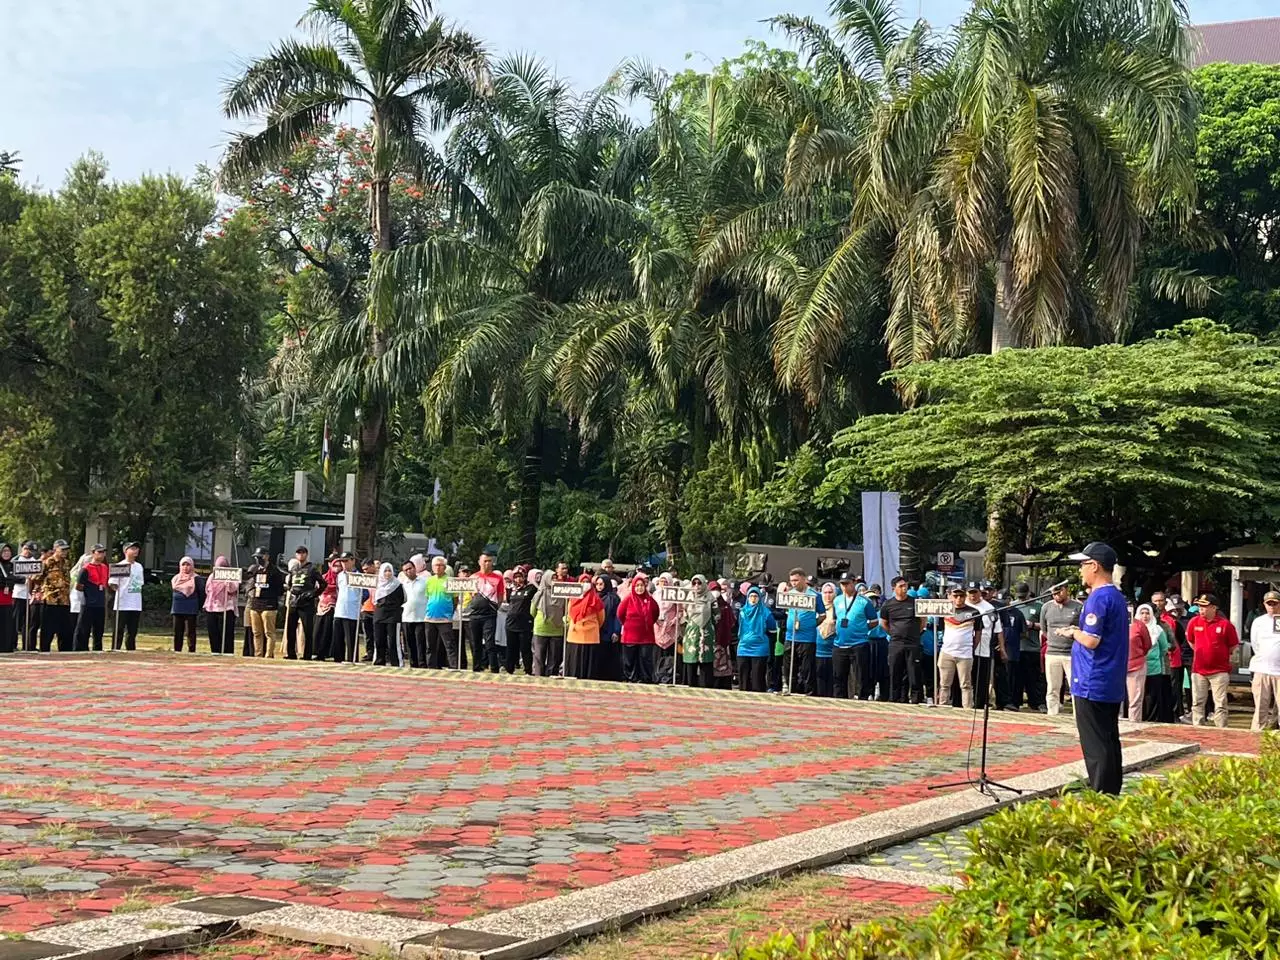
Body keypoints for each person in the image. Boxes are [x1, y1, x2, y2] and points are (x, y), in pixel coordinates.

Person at [1058, 542, 1129, 795]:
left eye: (1083, 564)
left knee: (1095, 742)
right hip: (1108, 679)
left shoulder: (1098, 598)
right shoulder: (1116, 596)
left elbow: (1091, 640)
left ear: (1095, 566)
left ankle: (1102, 793)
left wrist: (1074, 632)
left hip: (1092, 679)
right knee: (1108, 739)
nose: (1080, 570)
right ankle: (1110, 789)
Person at [1186, 592, 1239, 728]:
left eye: (1204, 606)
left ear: (1214, 608)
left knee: (1220, 703)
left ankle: (1221, 730)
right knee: (1197, 702)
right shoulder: (1194, 622)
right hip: (1198, 670)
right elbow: (1191, 641)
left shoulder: (1225, 625)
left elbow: (1233, 645)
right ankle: (1198, 728)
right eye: (1199, 606)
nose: (1201, 609)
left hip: (1219, 671)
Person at [831, 574, 875, 699]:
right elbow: (835, 619)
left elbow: (874, 621)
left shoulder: (864, 601)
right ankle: (839, 700)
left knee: (861, 676)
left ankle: (862, 699)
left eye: (847, 584)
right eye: (842, 584)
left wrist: (861, 630)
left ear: (854, 583)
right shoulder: (837, 600)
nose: (844, 587)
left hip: (859, 643)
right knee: (838, 677)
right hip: (839, 643)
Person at [880, 577, 923, 703]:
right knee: (895, 672)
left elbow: (923, 622)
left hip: (912, 643)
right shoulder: (888, 605)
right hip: (896, 644)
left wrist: (914, 633)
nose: (904, 588)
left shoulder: (915, 603)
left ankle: (915, 699)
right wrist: (894, 633)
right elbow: (884, 623)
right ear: (894, 588)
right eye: (901, 586)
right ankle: (895, 698)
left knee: (914, 673)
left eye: (906, 586)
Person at [1041, 582, 1081, 716]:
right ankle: (1053, 714)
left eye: (1059, 590)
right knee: (1052, 687)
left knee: (1075, 686)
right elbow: (1044, 629)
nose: (1057, 594)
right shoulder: (1046, 607)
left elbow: (1083, 629)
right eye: (1054, 591)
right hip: (1052, 652)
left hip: (1072, 653)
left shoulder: (1078, 607)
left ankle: (1078, 715)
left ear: (1066, 590)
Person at [782, 568, 823, 696]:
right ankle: (791, 689)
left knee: (807, 667)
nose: (793, 583)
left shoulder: (815, 595)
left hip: (807, 638)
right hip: (791, 636)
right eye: (791, 581)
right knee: (789, 666)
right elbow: (787, 612)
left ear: (803, 579)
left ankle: (809, 691)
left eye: (796, 580)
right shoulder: (789, 594)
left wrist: (811, 625)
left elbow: (822, 615)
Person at [939, 586, 981, 708]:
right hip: (946, 652)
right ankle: (942, 708)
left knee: (966, 685)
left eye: (961, 596)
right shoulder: (945, 610)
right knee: (944, 684)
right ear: (950, 596)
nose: (958, 598)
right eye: (955, 595)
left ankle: (967, 709)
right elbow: (941, 628)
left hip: (965, 654)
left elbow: (978, 632)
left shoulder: (974, 612)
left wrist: (972, 648)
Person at [965, 582, 1003, 709]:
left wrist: (1002, 648)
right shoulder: (962, 605)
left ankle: (980, 704)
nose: (973, 596)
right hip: (964, 649)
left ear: (980, 593)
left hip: (983, 649)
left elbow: (998, 630)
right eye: (970, 593)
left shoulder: (989, 608)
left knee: (980, 680)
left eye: (975, 592)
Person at [284, 545, 325, 660]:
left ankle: (307, 654)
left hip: (306, 603)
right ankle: (291, 653)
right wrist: (290, 590)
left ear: (306, 554)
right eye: (298, 553)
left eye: (302, 553)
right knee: (290, 630)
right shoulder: (294, 569)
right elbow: (290, 583)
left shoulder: (312, 568)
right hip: (293, 602)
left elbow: (323, 584)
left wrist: (312, 594)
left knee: (307, 630)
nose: (300, 555)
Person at [618, 573, 660, 683]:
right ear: (633, 587)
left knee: (646, 659)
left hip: (646, 636)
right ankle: (631, 678)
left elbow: (655, 614)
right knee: (630, 659)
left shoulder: (650, 600)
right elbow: (620, 614)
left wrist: (647, 623)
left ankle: (645, 679)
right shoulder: (628, 599)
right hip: (630, 636)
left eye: (641, 585)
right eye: (637, 586)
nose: (639, 588)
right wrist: (628, 624)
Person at [1248, 590, 1280, 731]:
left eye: (1275, 603)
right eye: (1269, 603)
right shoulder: (1258, 622)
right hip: (1262, 669)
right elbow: (1254, 643)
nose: (1272, 606)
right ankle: (1256, 737)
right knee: (1260, 706)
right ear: (1264, 605)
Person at [470, 553, 506, 673]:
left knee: (490, 643)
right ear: (479, 562)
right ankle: (477, 667)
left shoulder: (498, 578)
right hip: (475, 614)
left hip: (489, 614)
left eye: (490, 561)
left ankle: (494, 668)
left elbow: (500, 595)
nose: (487, 563)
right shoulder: (473, 577)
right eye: (485, 561)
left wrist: (495, 607)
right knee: (476, 643)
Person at [1151, 592, 1185, 721]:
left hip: (1171, 660)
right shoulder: (1148, 620)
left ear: (1165, 602)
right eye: (1155, 601)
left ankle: (1175, 714)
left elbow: (1177, 640)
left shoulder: (1169, 620)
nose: (1158, 604)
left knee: (1173, 690)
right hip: (1155, 662)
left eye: (1160, 601)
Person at [245, 548, 283, 658]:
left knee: (269, 633)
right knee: (256, 633)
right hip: (255, 604)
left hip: (269, 605)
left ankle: (268, 654)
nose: (258, 559)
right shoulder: (255, 570)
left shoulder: (274, 571)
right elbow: (249, 584)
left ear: (266, 556)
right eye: (256, 557)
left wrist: (269, 593)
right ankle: (258, 654)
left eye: (260, 556)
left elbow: (280, 589)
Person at [681, 575, 719, 688]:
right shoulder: (687, 597)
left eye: (699, 583)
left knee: (706, 662)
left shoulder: (711, 598)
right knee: (691, 660)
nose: (697, 586)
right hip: (691, 633)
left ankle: (706, 687)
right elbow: (683, 616)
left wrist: (709, 625)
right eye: (694, 583)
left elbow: (717, 615)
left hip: (706, 634)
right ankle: (690, 685)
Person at [532, 563, 569, 677]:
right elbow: (532, 611)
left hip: (557, 629)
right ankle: (539, 677)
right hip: (541, 628)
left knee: (555, 658)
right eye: (551, 578)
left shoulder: (561, 593)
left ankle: (551, 677)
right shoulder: (539, 594)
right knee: (539, 657)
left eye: (555, 578)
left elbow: (566, 610)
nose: (553, 580)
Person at [564, 577, 604, 680]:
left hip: (591, 637)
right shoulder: (572, 599)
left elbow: (601, 618)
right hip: (575, 636)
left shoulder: (596, 600)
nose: (585, 584)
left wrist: (591, 625)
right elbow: (569, 614)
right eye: (583, 582)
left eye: (587, 582)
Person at [735, 585, 774, 692]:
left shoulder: (766, 612)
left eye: (755, 596)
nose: (753, 599)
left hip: (759, 648)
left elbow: (772, 629)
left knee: (758, 679)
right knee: (743, 679)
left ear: (759, 598)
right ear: (747, 597)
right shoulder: (742, 611)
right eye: (751, 596)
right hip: (743, 647)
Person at [38, 539, 73, 653]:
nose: (64, 552)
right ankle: (44, 651)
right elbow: (37, 578)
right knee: (48, 629)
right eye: (62, 549)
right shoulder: (47, 562)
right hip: (50, 599)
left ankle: (65, 652)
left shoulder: (67, 563)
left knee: (65, 629)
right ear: (55, 549)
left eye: (66, 550)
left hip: (64, 600)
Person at [424, 556, 459, 668]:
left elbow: (455, 599)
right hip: (430, 617)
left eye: (440, 565)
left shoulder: (450, 581)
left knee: (449, 645)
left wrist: (450, 612)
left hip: (445, 618)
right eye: (436, 565)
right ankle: (431, 667)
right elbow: (428, 597)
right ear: (432, 567)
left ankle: (453, 666)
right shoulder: (429, 581)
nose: (438, 568)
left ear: (445, 567)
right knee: (430, 646)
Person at [109, 542, 144, 651]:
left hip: (136, 602)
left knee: (132, 631)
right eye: (132, 548)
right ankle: (116, 649)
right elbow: (112, 583)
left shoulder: (139, 566)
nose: (135, 551)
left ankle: (131, 650)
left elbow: (140, 582)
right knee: (119, 629)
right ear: (126, 551)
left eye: (136, 548)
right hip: (122, 603)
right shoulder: (121, 565)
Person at [1141, 604, 1173, 723]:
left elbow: (1164, 648)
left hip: (1154, 668)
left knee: (1152, 696)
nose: (1145, 616)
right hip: (1137, 668)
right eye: (1142, 613)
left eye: (1147, 613)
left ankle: (1152, 719)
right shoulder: (1133, 628)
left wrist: (1153, 657)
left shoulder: (1158, 629)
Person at [1126, 605, 1156, 720]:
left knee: (1135, 700)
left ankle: (1134, 724)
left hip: (1136, 666)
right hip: (1117, 666)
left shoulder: (1139, 625)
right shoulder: (1113, 623)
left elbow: (1147, 644)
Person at [371, 562, 404, 665]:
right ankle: (379, 661)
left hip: (393, 615)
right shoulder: (377, 585)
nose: (387, 573)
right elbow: (374, 600)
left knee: (393, 641)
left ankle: (396, 662)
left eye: (389, 570)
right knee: (379, 639)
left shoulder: (397, 584)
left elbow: (402, 599)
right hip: (379, 614)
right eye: (385, 571)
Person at [506, 567, 536, 675]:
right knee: (511, 648)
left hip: (524, 623)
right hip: (511, 622)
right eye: (516, 577)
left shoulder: (531, 588)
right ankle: (509, 669)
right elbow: (508, 601)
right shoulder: (510, 589)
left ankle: (528, 670)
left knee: (525, 648)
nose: (518, 579)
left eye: (520, 577)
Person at [655, 572, 684, 684]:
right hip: (658, 628)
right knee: (659, 654)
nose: (663, 583)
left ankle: (672, 676)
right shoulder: (656, 594)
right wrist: (656, 620)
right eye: (662, 581)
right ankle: (659, 675)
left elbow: (680, 611)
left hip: (671, 629)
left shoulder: (675, 594)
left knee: (672, 654)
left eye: (666, 581)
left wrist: (674, 621)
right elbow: (653, 609)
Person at [170, 557, 204, 653]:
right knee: (177, 631)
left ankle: (191, 650)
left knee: (190, 632)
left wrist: (199, 607)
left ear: (192, 566)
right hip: (177, 608)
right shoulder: (175, 578)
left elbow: (202, 593)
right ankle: (177, 650)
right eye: (183, 565)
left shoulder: (197, 579)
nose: (186, 567)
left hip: (191, 608)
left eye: (188, 565)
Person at [334, 553, 363, 663]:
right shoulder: (340, 575)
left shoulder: (360, 576)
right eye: (342, 561)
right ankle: (338, 659)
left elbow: (365, 593)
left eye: (346, 561)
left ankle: (352, 659)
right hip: (339, 610)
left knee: (351, 639)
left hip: (352, 612)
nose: (344, 564)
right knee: (338, 638)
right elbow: (338, 590)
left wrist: (358, 603)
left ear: (353, 561)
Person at [595, 574, 623, 682]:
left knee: (609, 656)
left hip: (609, 631)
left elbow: (617, 616)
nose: (599, 586)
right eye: (597, 584)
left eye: (601, 584)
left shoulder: (614, 598)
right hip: (596, 631)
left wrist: (616, 631)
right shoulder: (595, 597)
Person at [401, 559, 428, 668]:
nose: (408, 571)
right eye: (405, 570)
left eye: (410, 568)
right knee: (409, 643)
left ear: (415, 568)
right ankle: (413, 664)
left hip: (421, 617)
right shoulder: (402, 584)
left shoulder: (424, 581)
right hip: (406, 617)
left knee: (420, 643)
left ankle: (422, 664)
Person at [314, 556, 341, 661]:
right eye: (335, 565)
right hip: (322, 607)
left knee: (329, 631)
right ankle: (318, 653)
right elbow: (318, 589)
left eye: (339, 566)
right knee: (319, 631)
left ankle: (330, 653)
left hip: (335, 607)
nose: (337, 568)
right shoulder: (324, 577)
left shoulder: (342, 578)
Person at [710, 579, 735, 689]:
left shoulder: (725, 606)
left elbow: (731, 622)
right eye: (712, 589)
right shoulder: (706, 605)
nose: (715, 592)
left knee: (723, 667)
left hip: (723, 642)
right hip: (709, 642)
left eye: (717, 589)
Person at [12, 541, 37, 651]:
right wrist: (23, 580)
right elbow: (11, 576)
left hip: (29, 595)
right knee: (15, 621)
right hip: (17, 594)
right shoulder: (16, 560)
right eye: (27, 550)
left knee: (27, 622)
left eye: (31, 551)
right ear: (24, 549)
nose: (29, 553)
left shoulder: (34, 561)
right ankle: (13, 644)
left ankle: (27, 645)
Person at [813, 581, 836, 697]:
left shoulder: (839, 609)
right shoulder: (816, 608)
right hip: (817, 652)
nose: (828, 595)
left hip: (832, 653)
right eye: (825, 592)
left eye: (830, 592)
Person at [0, 545, 15, 653]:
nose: (6, 553)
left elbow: (16, 579)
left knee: (7, 623)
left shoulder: (12, 565)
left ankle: (7, 646)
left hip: (8, 598)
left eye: (8, 551)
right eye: (4, 551)